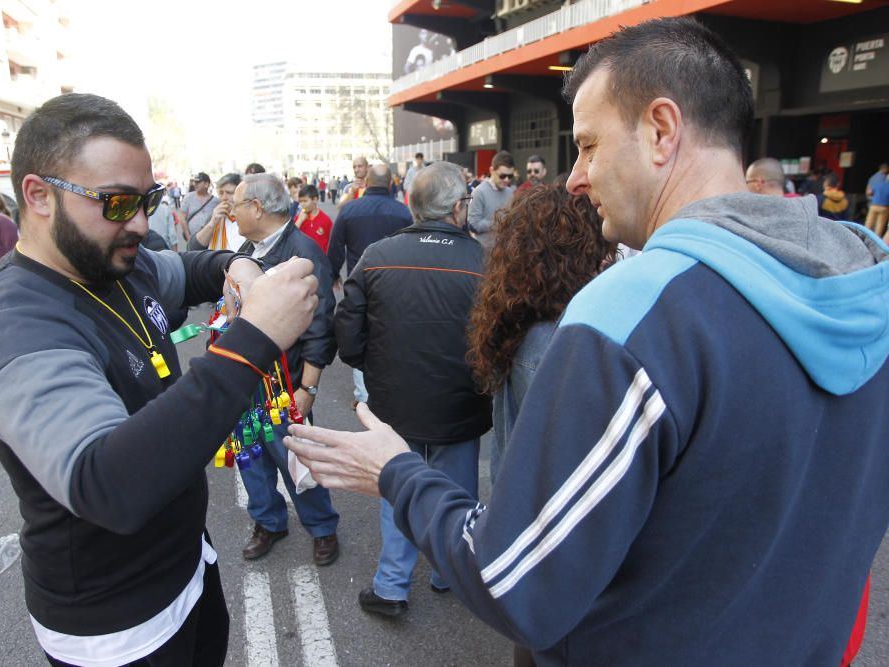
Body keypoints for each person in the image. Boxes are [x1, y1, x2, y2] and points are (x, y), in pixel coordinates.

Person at [285, 17, 889, 665]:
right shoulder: (867, 274)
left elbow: (511, 582)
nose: (574, 178)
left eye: (589, 145)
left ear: (661, 131)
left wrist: (396, 472)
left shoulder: (635, 312)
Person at [0, 93, 319, 666]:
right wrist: (254, 337)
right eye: (117, 203)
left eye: (147, 199)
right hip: (116, 623)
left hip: (185, 567)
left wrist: (238, 266)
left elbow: (191, 268)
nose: (140, 223)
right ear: (38, 195)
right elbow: (108, 483)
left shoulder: (111, 261)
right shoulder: (17, 326)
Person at [335, 161, 491, 617]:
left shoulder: (378, 256)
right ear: (460, 208)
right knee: (456, 490)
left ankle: (392, 586)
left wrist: (369, 366)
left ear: (413, 204)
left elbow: (349, 327)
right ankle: (451, 572)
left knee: (396, 484)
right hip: (460, 402)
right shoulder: (482, 261)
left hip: (394, 402)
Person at [218, 172, 340, 566]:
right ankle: (268, 521)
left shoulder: (301, 252)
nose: (231, 213)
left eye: (236, 205)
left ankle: (322, 527)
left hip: (284, 382)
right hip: (243, 376)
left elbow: (321, 323)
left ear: (256, 207)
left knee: (296, 455)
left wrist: (309, 389)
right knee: (251, 455)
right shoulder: (247, 250)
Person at [468, 185, 615, 485]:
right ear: (579, 252)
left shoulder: (520, 318)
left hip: (516, 497)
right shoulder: (556, 341)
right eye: (604, 246)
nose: (611, 255)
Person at [327, 163, 412, 407]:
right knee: (392, 332)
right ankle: (393, 387)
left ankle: (363, 396)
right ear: (390, 184)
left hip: (359, 280)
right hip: (396, 282)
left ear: (367, 183)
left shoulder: (350, 210)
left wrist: (333, 273)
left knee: (361, 332)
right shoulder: (402, 212)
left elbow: (336, 246)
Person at [468, 150, 515, 249]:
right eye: (502, 176)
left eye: (510, 176)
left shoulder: (510, 192)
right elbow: (473, 225)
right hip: (484, 253)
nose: (506, 180)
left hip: (505, 252)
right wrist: (498, 222)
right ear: (491, 171)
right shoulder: (478, 192)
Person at [190, 173, 245, 252]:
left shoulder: (248, 217)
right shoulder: (217, 216)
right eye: (221, 193)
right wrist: (212, 223)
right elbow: (194, 247)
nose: (224, 198)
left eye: (229, 193)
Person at [177, 172, 217, 242]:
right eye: (194, 182)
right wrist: (188, 237)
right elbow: (182, 218)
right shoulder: (188, 197)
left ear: (206, 184)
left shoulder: (215, 201)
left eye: (198, 182)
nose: (194, 184)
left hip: (211, 239)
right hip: (193, 238)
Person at [294, 184, 333, 253]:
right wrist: (299, 221)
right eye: (300, 201)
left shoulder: (326, 220)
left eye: (305, 201)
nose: (302, 204)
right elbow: (290, 237)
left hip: (320, 260)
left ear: (315, 200)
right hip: (302, 259)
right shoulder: (298, 218)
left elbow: (332, 242)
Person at [865, 163, 888, 238]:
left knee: (869, 223)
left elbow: (869, 192)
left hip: (873, 205)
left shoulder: (874, 180)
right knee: (880, 225)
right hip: (884, 207)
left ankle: (865, 236)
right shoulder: (884, 180)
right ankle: (876, 240)